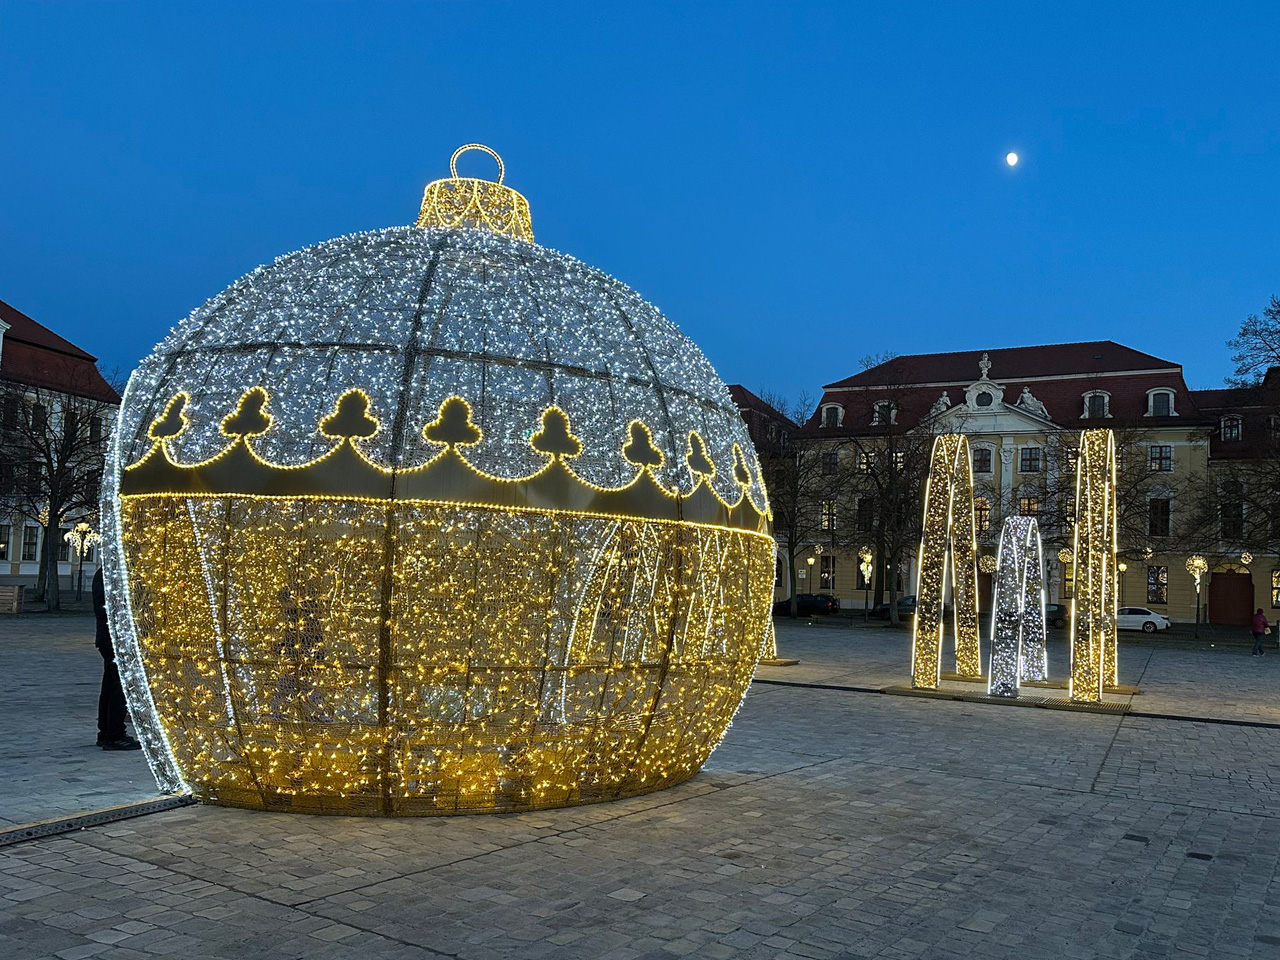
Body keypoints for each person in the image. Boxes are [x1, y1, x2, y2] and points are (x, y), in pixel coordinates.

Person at [92, 566, 140, 750]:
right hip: (117, 639)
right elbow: (112, 609)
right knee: (120, 687)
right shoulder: (113, 574)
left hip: (110, 638)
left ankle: (106, 732)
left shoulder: (105, 572)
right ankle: (114, 734)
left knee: (111, 686)